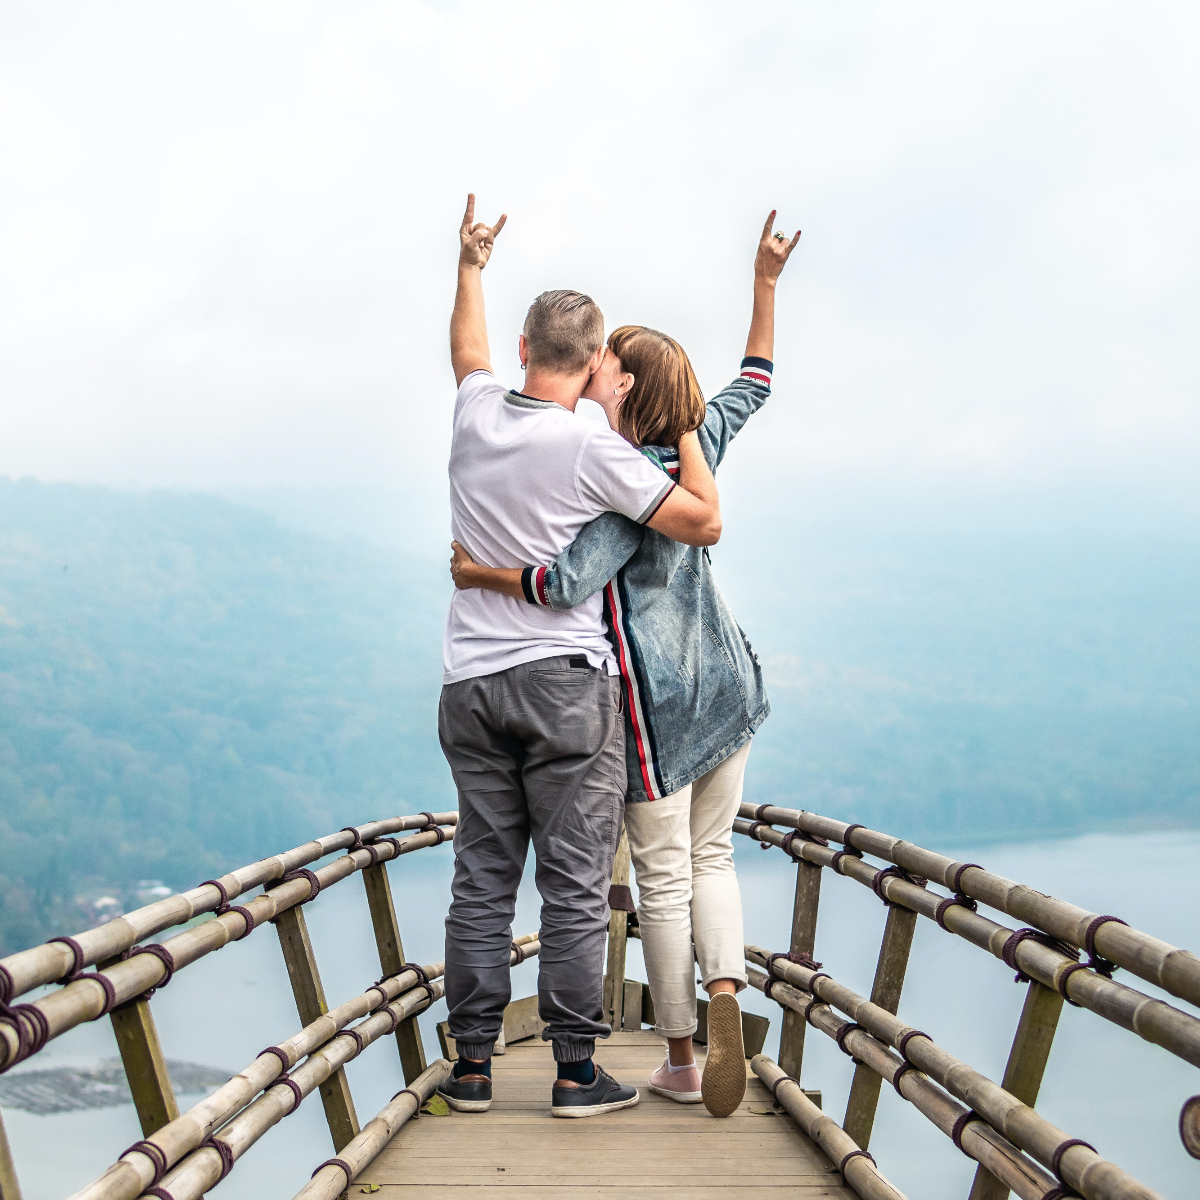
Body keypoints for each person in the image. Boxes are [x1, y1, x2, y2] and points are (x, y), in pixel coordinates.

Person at [448, 210, 800, 1117]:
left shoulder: (546, 443)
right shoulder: (654, 447)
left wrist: (477, 569)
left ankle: (630, 1056)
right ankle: (664, 1025)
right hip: (693, 692)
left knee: (596, 876)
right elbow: (748, 394)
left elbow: (565, 578)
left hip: (570, 700)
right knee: (678, 864)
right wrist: (764, 284)